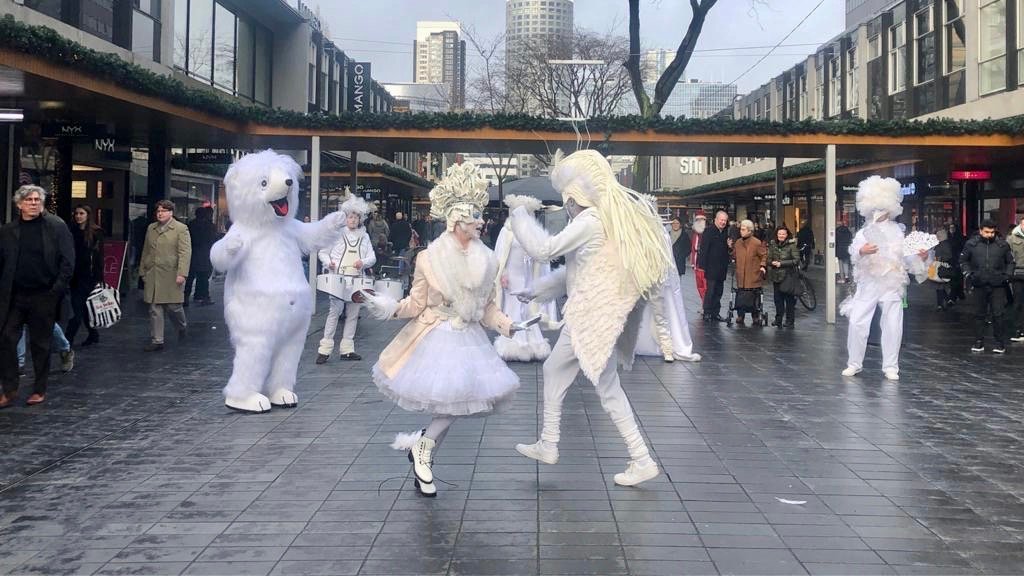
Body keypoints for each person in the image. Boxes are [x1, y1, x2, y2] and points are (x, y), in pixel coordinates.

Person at [508, 150, 669, 487]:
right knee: (595, 383)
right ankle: (634, 457)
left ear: (572, 198)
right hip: (596, 314)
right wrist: (539, 292)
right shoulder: (601, 221)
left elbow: (544, 250)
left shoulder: (590, 220)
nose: (564, 206)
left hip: (590, 316)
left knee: (593, 383)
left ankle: (559, 445)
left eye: (565, 200)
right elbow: (579, 272)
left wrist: (518, 212)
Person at [362, 161, 524, 497]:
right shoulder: (429, 258)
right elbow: (416, 303)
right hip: (437, 336)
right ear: (457, 219)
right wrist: (389, 307)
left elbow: (487, 308)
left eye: (480, 216)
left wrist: (508, 326)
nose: (481, 222)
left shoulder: (488, 259)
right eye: (475, 216)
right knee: (450, 405)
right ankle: (423, 450)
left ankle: (422, 447)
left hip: (469, 337)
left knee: (453, 405)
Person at [840, 176, 928, 381]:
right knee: (857, 322)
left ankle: (891, 366)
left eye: (882, 208)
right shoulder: (863, 232)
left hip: (891, 283)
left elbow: (908, 258)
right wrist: (862, 251)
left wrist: (920, 257)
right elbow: (854, 253)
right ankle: (854, 363)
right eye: (875, 208)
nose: (878, 212)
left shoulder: (899, 232)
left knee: (893, 325)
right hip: (869, 281)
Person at [0, 185, 75, 408]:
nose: (33, 203)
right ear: (19, 204)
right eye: (29, 200)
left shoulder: (56, 226)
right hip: (15, 295)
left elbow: (68, 260)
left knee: (41, 344)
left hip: (44, 295)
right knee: (6, 339)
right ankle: (10, 389)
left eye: (37, 200)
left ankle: (39, 389)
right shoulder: (8, 231)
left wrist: (56, 289)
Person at [493, 195, 559, 362]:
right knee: (513, 308)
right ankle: (513, 343)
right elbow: (499, 255)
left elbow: (542, 256)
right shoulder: (507, 231)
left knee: (530, 308)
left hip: (529, 275)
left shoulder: (534, 233)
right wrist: (502, 273)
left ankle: (532, 344)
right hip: (512, 277)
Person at [316, 195, 376, 364]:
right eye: (350, 217)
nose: (353, 220)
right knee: (334, 313)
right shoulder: (336, 234)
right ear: (345, 218)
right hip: (338, 278)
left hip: (357, 279)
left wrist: (362, 262)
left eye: (356, 217)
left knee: (353, 315)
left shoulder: (365, 237)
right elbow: (323, 252)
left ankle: (347, 350)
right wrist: (329, 263)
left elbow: (372, 257)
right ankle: (324, 350)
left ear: (360, 219)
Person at [634, 225, 702, 363]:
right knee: (641, 314)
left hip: (654, 279)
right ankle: (661, 348)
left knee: (659, 314)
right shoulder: (642, 232)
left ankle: (667, 349)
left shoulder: (660, 234)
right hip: (642, 278)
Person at [139, 200, 192, 352]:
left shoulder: (180, 229)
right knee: (155, 308)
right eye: (158, 211)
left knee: (173, 306)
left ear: (171, 212)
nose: (160, 214)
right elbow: (146, 250)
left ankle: (181, 326)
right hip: (153, 272)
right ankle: (157, 340)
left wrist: (182, 273)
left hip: (171, 273)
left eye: (163, 211)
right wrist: (143, 270)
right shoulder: (151, 228)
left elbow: (185, 253)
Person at [961, 219, 1014, 354]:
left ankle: (999, 343)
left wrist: (1007, 276)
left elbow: (1010, 262)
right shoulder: (971, 244)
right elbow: (963, 260)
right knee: (979, 314)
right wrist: (969, 274)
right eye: (986, 232)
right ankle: (978, 341)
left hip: (998, 284)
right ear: (981, 231)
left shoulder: (1002, 245)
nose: (989, 235)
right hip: (979, 283)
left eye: (992, 232)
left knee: (998, 314)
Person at [65, 204, 104, 346]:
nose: (78, 216)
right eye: (76, 213)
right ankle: (93, 334)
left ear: (88, 215)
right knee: (83, 308)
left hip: (89, 276)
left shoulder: (96, 233)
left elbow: (99, 257)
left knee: (81, 309)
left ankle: (67, 340)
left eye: (81, 213)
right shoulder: (71, 231)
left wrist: (99, 278)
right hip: (75, 275)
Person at [697, 210, 731, 322]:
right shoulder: (709, 231)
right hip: (711, 267)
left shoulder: (725, 232)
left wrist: (729, 247)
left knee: (719, 291)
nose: (723, 222)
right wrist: (702, 265)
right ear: (716, 219)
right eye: (721, 220)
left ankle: (716, 313)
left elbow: (726, 249)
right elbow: (704, 249)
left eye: (725, 220)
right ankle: (707, 312)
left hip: (722, 267)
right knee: (710, 291)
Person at [731, 219, 767, 325]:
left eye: (743, 229)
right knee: (741, 294)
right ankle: (740, 315)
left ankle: (755, 315)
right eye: (741, 229)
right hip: (741, 274)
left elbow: (764, 255)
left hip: (753, 274)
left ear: (750, 231)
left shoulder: (756, 242)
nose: (741, 231)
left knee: (754, 294)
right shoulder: (738, 242)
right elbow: (734, 255)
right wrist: (730, 248)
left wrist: (762, 266)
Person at [766, 225, 800, 328]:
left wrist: (781, 263)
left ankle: (790, 321)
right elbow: (768, 258)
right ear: (776, 234)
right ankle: (778, 319)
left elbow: (796, 260)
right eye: (779, 234)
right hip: (776, 276)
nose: (781, 236)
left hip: (788, 276)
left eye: (783, 234)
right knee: (778, 299)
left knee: (789, 300)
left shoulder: (792, 245)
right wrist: (772, 262)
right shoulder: (773, 244)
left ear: (787, 235)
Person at [185, 206, 217, 307]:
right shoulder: (209, 226)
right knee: (203, 277)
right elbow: (212, 239)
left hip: (192, 253)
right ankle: (204, 297)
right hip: (204, 254)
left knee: (190, 277)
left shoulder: (190, 225)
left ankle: (186, 297)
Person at [1008, 216, 1024, 342]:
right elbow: (1007, 257)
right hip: (1017, 273)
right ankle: (1019, 329)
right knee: (1018, 302)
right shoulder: (1012, 238)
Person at [931, 228, 956, 310]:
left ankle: (940, 304)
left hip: (940, 267)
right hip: (945, 267)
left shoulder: (940, 245)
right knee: (941, 286)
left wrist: (936, 264)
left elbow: (938, 257)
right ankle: (947, 300)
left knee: (939, 286)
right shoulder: (947, 244)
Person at [690, 214, 707, 300]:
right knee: (699, 286)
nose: (699, 222)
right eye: (698, 220)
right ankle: (703, 302)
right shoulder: (695, 234)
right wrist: (693, 262)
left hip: (706, 264)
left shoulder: (708, 232)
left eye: (701, 219)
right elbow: (693, 249)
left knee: (706, 286)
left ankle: (706, 304)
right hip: (697, 263)